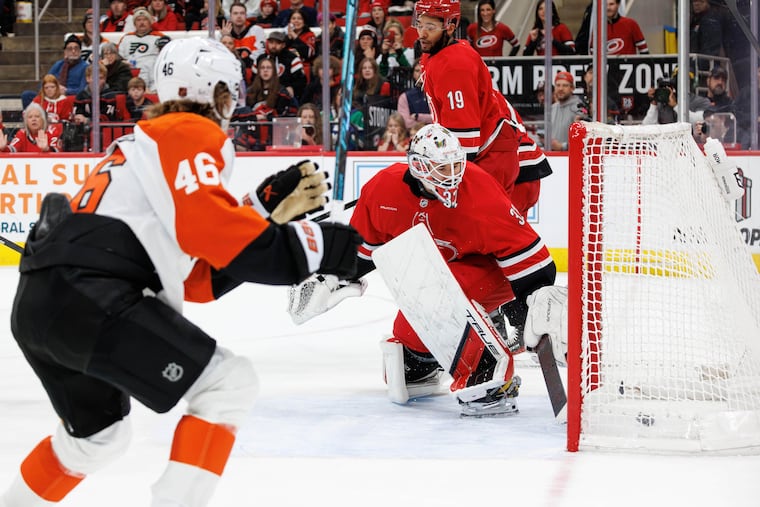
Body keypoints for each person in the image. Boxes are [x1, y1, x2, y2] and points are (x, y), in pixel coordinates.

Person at [0, 36, 361, 507]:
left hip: (42, 300)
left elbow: (199, 280)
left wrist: (262, 209)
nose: (234, 105)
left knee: (97, 438)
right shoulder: (191, 131)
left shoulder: (147, 142)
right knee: (229, 384)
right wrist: (322, 247)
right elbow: (211, 232)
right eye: (231, 93)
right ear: (214, 93)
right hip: (91, 292)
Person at [287, 124, 563, 416]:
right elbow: (364, 252)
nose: (454, 175)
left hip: (491, 271)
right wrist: (331, 276)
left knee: (439, 295)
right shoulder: (383, 190)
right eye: (443, 168)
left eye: (457, 165)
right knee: (409, 336)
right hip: (438, 278)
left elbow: (532, 257)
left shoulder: (480, 190)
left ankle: (488, 376)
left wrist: (531, 302)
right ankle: (425, 364)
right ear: (418, 166)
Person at [414, 0, 552, 216]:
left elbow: (465, 138)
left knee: (490, 238)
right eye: (419, 25)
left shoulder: (455, 64)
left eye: (430, 27)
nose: (422, 33)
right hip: (498, 153)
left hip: (499, 160)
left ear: (450, 27)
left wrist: (443, 174)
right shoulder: (435, 55)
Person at [21, 35, 90, 109]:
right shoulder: (59, 64)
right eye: (70, 49)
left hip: (69, 97)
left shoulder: (85, 67)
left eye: (76, 49)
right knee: (27, 95)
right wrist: (51, 89)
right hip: (51, 95)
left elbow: (83, 90)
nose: (73, 51)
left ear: (80, 51)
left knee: (71, 99)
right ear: (65, 52)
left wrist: (66, 91)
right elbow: (43, 83)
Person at [117, 8, 171, 92]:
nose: (142, 22)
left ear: (150, 22)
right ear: (134, 23)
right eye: (138, 20)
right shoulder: (126, 38)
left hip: (151, 72)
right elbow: (119, 57)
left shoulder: (159, 37)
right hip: (131, 70)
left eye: (145, 19)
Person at [245, 54, 299, 120]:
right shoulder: (250, 92)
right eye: (262, 68)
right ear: (258, 71)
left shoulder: (281, 92)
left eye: (269, 68)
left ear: (274, 71)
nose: (265, 70)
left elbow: (283, 115)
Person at [264, 30, 307, 101]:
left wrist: (291, 87)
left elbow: (301, 81)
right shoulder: (261, 59)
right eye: (271, 43)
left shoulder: (292, 59)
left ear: (283, 45)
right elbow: (254, 79)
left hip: (285, 95)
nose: (274, 46)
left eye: (277, 43)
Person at [549, 71, 583, 151]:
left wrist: (563, 146)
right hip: (553, 156)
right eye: (558, 85)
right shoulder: (551, 109)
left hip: (572, 156)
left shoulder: (579, 108)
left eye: (565, 85)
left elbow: (583, 139)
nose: (561, 88)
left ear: (572, 88)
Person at [396, 59, 432, 129]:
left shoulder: (436, 94)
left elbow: (438, 120)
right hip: (412, 136)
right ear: (413, 74)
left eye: (423, 70)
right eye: (417, 71)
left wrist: (417, 117)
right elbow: (405, 123)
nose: (420, 73)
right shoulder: (405, 97)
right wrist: (427, 122)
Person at [690, 0, 725, 69]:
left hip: (706, 71)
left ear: (708, 2)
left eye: (701, 1)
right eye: (694, 1)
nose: (697, 4)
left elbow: (710, 53)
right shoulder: (694, 22)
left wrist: (690, 65)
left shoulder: (711, 22)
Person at [285, 8, 317, 80]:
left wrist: (295, 37)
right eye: (293, 18)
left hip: (304, 70)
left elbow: (309, 53)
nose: (296, 21)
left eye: (299, 18)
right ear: (289, 22)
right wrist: (288, 39)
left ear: (304, 22)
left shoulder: (310, 35)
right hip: (288, 69)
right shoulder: (286, 37)